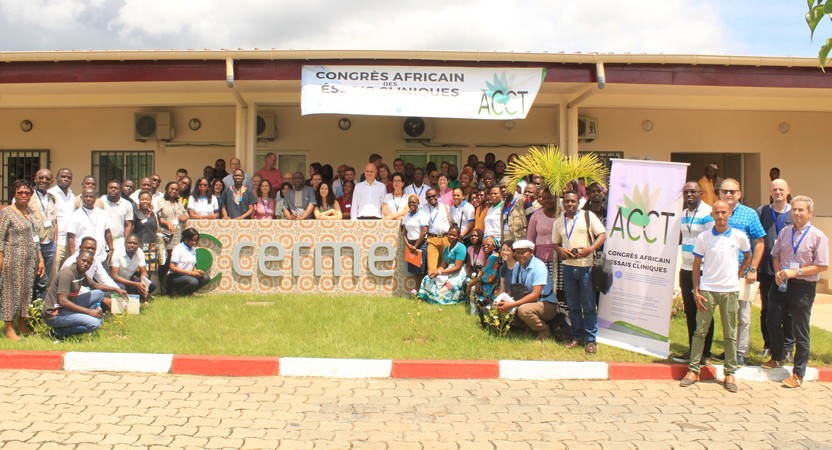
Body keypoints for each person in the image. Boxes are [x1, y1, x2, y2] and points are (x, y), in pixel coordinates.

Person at [680, 200, 752, 393]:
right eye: (717, 213)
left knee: (730, 333)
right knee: (700, 331)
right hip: (707, 290)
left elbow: (747, 255)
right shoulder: (704, 237)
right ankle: (693, 370)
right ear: (712, 215)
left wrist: (739, 273)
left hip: (730, 290)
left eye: (724, 212)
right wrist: (696, 291)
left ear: (729, 214)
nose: (720, 216)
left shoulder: (739, 236)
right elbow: (696, 265)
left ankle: (730, 372)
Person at [765, 196, 829, 388]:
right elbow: (775, 255)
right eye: (794, 210)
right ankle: (778, 357)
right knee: (772, 319)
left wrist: (797, 271)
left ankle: (798, 373)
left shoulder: (818, 236)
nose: (797, 213)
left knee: (800, 329)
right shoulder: (785, 232)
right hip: (781, 283)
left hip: (803, 287)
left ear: (810, 213)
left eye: (801, 210)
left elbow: (822, 265)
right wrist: (778, 272)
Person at [718, 178, 765, 366]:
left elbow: (760, 243)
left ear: (739, 193)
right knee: (727, 314)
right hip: (721, 272)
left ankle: (740, 352)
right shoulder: (716, 212)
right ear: (719, 193)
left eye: (732, 191)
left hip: (743, 272)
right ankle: (729, 348)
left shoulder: (749, 214)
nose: (728, 194)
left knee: (743, 315)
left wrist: (753, 268)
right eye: (725, 191)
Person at [553, 190, 606, 354]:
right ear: (563, 203)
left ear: (578, 202)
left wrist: (589, 250)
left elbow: (602, 235)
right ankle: (577, 336)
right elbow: (555, 243)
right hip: (568, 267)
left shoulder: (588, 216)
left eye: (573, 201)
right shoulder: (558, 222)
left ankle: (591, 340)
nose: (569, 204)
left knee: (589, 305)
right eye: (567, 201)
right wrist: (561, 250)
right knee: (573, 305)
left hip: (587, 267)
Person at [672, 181, 715, 365]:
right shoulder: (684, 213)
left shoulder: (707, 214)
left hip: (704, 270)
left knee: (704, 311)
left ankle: (705, 352)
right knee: (690, 311)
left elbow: (713, 241)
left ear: (700, 193)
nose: (689, 195)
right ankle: (693, 348)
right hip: (686, 269)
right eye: (686, 192)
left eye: (693, 192)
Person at [0, 180, 45, 340]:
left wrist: (40, 259)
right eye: (20, 192)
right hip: (13, 259)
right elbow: (0, 237)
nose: (24, 195)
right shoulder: (7, 212)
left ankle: (22, 325)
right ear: (15, 194)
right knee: (11, 293)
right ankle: (10, 328)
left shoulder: (29, 214)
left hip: (30, 261)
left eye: (27, 193)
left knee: (26, 292)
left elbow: (36, 238)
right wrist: (1, 259)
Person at [756, 178, 794, 360]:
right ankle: (769, 344)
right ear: (770, 191)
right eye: (774, 189)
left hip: (788, 270)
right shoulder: (762, 212)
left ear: (788, 191)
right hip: (766, 269)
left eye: (781, 189)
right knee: (767, 308)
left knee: (788, 310)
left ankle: (788, 347)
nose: (778, 192)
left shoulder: (794, 213)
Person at [494, 239, 557, 341]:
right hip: (528, 302)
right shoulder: (517, 266)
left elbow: (535, 295)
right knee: (502, 307)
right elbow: (514, 290)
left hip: (545, 303)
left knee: (523, 310)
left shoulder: (539, 266)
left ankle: (544, 331)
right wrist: (503, 301)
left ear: (531, 252)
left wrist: (511, 305)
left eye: (523, 252)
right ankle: (528, 329)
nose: (520, 255)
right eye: (518, 252)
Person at [42, 250, 108, 340]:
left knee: (99, 294)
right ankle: (57, 332)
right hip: (55, 314)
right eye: (83, 260)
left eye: (89, 263)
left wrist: (116, 289)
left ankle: (85, 319)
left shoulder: (80, 272)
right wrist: (89, 312)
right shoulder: (67, 274)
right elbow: (63, 301)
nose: (85, 264)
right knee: (95, 323)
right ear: (77, 259)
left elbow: (95, 285)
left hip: (66, 308)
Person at [417, 225, 467, 305]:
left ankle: (442, 302)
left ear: (458, 236)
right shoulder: (446, 249)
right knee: (428, 278)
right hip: (447, 272)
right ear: (447, 235)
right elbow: (443, 266)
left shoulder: (461, 247)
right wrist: (435, 271)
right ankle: (422, 300)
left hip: (457, 273)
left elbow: (457, 267)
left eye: (454, 235)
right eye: (450, 234)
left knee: (450, 286)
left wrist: (440, 273)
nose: (451, 237)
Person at [527, 186, 559, 301]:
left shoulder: (563, 213)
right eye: (544, 198)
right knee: (545, 284)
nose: (546, 201)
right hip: (542, 257)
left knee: (560, 287)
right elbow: (530, 238)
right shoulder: (536, 215)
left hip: (560, 255)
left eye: (550, 198)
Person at [66, 188, 113, 266]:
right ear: (81, 198)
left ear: (95, 198)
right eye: (86, 196)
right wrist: (73, 256)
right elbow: (71, 237)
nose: (88, 199)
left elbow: (107, 232)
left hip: (101, 257)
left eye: (91, 196)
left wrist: (111, 248)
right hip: (83, 258)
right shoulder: (74, 216)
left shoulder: (103, 214)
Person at [30, 169, 58, 300]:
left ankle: (38, 309)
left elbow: (55, 221)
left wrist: (55, 242)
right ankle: (27, 311)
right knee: (31, 277)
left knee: (44, 279)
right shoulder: (27, 196)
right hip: (33, 244)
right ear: (35, 178)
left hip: (49, 244)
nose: (44, 181)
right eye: (41, 178)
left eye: (47, 179)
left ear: (52, 182)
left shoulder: (52, 198)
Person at [157, 181, 188, 293]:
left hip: (178, 236)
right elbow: (158, 217)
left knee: (174, 262)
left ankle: (173, 289)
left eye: (176, 189)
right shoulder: (161, 202)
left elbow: (185, 213)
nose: (174, 191)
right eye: (172, 189)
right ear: (167, 189)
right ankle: (164, 290)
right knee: (165, 263)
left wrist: (185, 216)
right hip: (166, 236)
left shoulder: (179, 202)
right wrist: (167, 223)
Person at [48, 168, 76, 278]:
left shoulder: (72, 195)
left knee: (66, 273)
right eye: (63, 176)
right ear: (56, 178)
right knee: (53, 273)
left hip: (70, 241)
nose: (66, 179)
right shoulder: (51, 194)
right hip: (57, 241)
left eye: (69, 177)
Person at [110, 234, 157, 300]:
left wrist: (142, 282)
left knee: (152, 286)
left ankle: (138, 297)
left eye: (134, 243)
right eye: (129, 243)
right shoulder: (117, 252)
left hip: (130, 280)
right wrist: (135, 284)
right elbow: (114, 276)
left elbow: (144, 272)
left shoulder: (140, 252)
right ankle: (133, 296)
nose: (132, 245)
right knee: (122, 288)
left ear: (138, 245)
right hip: (118, 281)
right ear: (125, 243)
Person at [167, 227, 211, 296]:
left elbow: (193, 265)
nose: (194, 242)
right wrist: (189, 273)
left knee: (206, 278)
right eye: (192, 240)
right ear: (186, 239)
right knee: (193, 282)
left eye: (196, 240)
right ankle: (177, 293)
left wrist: (196, 271)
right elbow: (172, 267)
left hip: (188, 274)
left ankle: (188, 293)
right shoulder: (178, 249)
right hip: (176, 276)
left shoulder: (193, 250)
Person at [133, 191, 161, 288]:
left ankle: (147, 291)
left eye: (147, 199)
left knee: (149, 272)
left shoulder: (154, 214)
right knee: (139, 270)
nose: (145, 201)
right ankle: (139, 291)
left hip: (152, 246)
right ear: (139, 200)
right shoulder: (135, 214)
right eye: (143, 199)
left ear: (151, 200)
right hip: (139, 246)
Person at [100, 180, 134, 258]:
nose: (113, 189)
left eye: (116, 188)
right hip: (103, 241)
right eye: (110, 187)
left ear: (120, 190)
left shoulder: (127, 204)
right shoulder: (101, 202)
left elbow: (128, 225)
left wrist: (125, 241)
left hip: (119, 241)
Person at [467, 235, 501, 309]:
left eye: (488, 245)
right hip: (494, 284)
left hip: (495, 287)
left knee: (473, 289)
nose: (485, 247)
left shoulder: (493, 257)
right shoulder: (492, 256)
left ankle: (475, 311)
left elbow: (483, 275)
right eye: (483, 245)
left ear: (494, 247)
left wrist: (470, 285)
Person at [423, 188, 452, 272]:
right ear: (426, 199)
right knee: (431, 267)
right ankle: (431, 284)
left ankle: (442, 285)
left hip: (445, 238)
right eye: (429, 197)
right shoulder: (423, 208)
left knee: (445, 266)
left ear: (437, 195)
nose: (432, 198)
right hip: (432, 239)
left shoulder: (446, 207)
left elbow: (451, 221)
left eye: (434, 196)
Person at [401, 194, 428, 283]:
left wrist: (415, 246)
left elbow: (424, 231)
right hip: (411, 245)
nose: (411, 204)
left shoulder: (422, 214)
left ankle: (422, 293)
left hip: (420, 244)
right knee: (415, 271)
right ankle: (416, 293)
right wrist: (408, 244)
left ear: (418, 203)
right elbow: (404, 232)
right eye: (410, 202)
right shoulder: (406, 216)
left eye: (414, 202)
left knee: (422, 270)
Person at [500, 177, 527, 243]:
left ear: (514, 187)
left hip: (521, 241)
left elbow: (531, 222)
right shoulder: (503, 205)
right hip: (507, 241)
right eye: (501, 187)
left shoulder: (524, 200)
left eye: (506, 187)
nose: (503, 189)